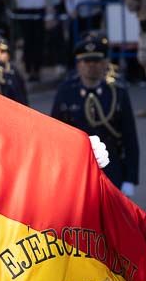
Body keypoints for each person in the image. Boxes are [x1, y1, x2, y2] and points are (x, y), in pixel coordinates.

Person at [51, 33, 139, 196]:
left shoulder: (117, 92)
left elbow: (129, 137)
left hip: (111, 168)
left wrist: (130, 178)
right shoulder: (66, 91)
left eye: (96, 61)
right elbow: (55, 135)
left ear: (105, 63)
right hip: (77, 169)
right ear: (78, 64)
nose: (92, 65)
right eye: (86, 61)